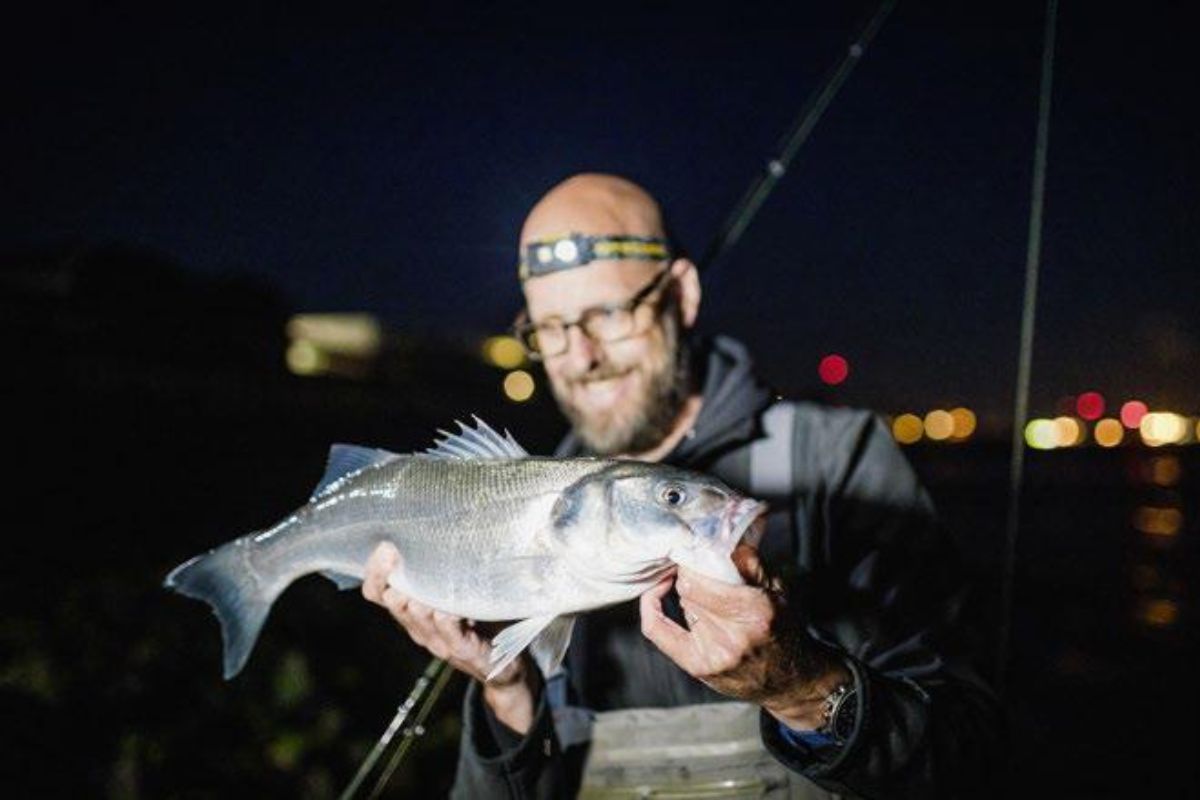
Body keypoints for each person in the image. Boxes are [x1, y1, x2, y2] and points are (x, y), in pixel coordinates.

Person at [361, 174, 1003, 798]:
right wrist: (506, 690)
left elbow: (971, 752)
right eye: (550, 329)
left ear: (682, 294)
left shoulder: (832, 460)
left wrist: (800, 687)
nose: (580, 356)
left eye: (608, 313)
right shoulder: (510, 501)